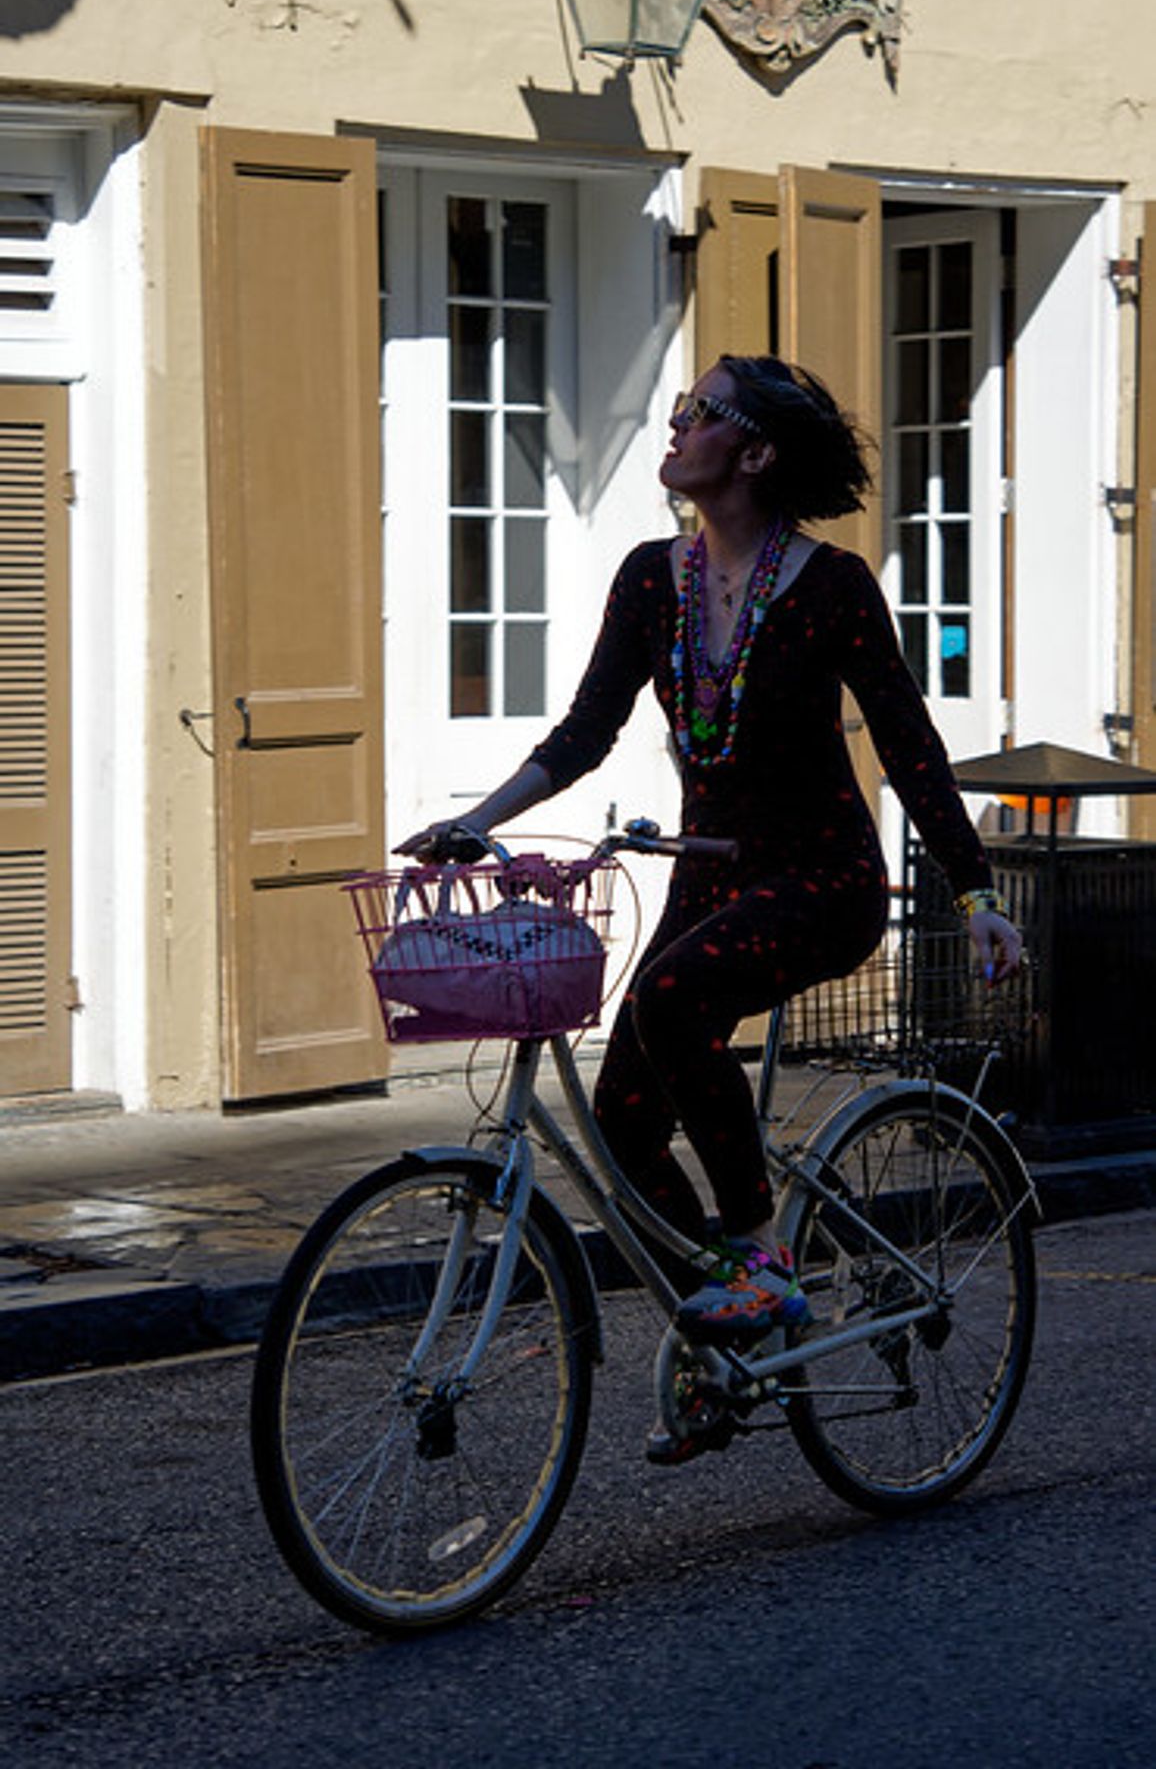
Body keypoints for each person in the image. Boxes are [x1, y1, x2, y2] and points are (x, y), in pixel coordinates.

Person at [399, 356, 1022, 1388]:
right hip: (709, 880)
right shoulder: (654, 576)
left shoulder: (831, 586)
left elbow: (909, 745)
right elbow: (585, 729)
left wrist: (977, 893)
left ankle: (760, 1254)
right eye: (681, 408)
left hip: (821, 879)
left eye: (700, 411)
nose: (677, 424)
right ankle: (724, 1336)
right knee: (625, 1128)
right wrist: (472, 820)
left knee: (676, 1001)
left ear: (754, 450)